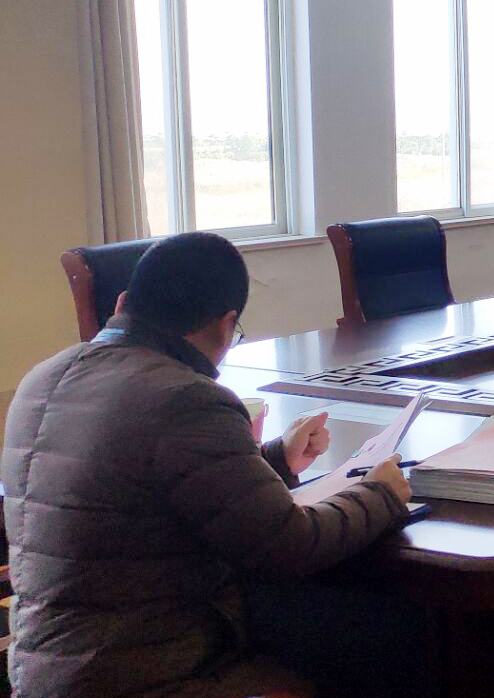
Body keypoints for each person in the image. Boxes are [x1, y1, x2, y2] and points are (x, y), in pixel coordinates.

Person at [3, 233, 419, 698]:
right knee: (384, 647)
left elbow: (136, 488)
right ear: (226, 325)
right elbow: (290, 547)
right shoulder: (187, 398)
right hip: (149, 676)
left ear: (122, 303)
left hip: (43, 675)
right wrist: (380, 493)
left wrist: (275, 459)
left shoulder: (41, 378)